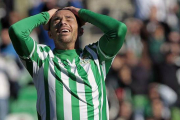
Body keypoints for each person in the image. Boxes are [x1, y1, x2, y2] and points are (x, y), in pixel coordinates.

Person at [8, 6, 127, 120]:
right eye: (56, 20)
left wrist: (83, 13)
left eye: (69, 19)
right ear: (50, 34)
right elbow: (17, 31)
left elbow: (119, 30)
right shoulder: (41, 58)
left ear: (81, 31)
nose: (63, 22)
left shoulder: (96, 56)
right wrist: (46, 15)